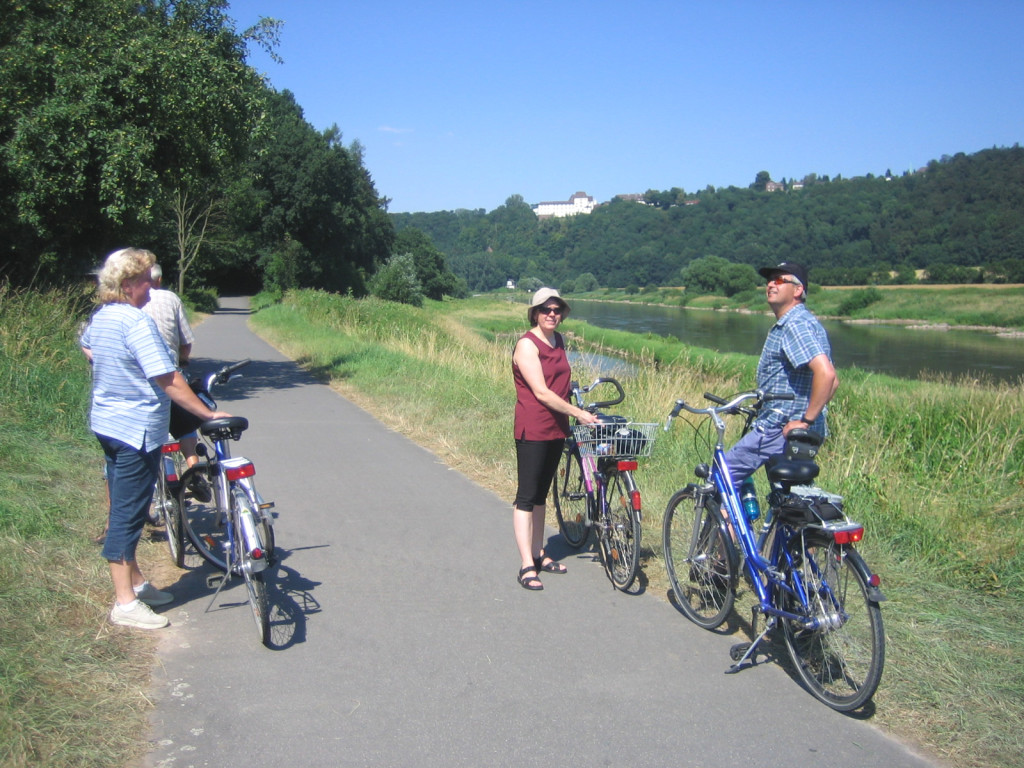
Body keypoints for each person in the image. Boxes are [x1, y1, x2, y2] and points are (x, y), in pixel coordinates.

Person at [81, 248, 231, 630]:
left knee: (123, 501)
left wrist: (115, 369)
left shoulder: (102, 317)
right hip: (135, 430)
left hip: (107, 424)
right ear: (128, 284)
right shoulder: (135, 323)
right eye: (147, 278)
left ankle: (136, 584)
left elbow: (88, 348)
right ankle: (124, 603)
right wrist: (208, 414)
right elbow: (169, 379)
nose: (153, 285)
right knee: (129, 514)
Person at [511, 288, 598, 591]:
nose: (552, 314)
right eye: (546, 309)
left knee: (542, 494)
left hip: (556, 428)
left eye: (557, 309)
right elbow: (542, 392)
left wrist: (574, 404)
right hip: (533, 428)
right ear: (535, 312)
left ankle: (539, 553)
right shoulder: (526, 345)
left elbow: (561, 381)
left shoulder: (558, 340)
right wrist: (579, 413)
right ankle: (526, 564)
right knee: (526, 495)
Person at [723, 261, 839, 483]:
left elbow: (827, 375)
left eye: (779, 280)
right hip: (792, 431)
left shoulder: (794, 325)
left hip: (779, 428)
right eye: (769, 280)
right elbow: (832, 383)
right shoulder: (805, 321)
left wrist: (804, 421)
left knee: (723, 475)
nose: (771, 285)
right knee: (786, 495)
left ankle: (725, 517)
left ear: (798, 290)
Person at [141, 263, 210, 501]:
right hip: (171, 373)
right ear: (159, 280)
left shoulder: (124, 305)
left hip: (139, 383)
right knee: (187, 425)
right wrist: (181, 359)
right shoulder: (170, 298)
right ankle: (192, 468)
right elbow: (186, 342)